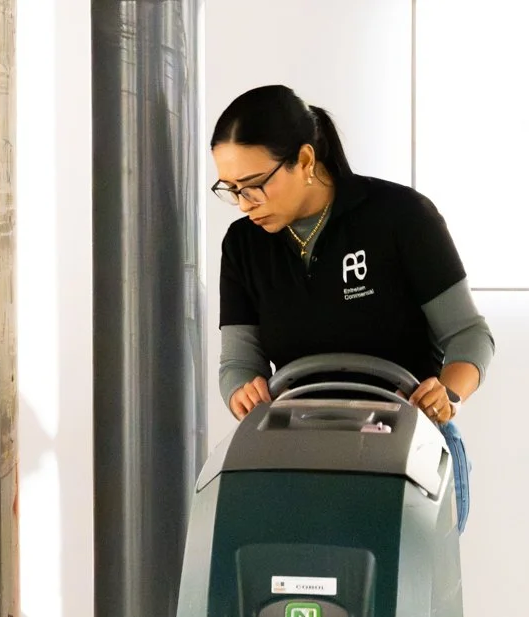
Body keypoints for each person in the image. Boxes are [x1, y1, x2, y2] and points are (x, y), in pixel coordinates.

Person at [210, 84, 494, 533]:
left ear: (305, 160)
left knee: (405, 599)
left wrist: (449, 393)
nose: (245, 204)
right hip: (299, 459)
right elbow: (238, 363)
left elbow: (469, 336)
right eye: (231, 189)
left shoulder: (401, 217)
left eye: (256, 186)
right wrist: (241, 390)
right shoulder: (243, 245)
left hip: (408, 450)